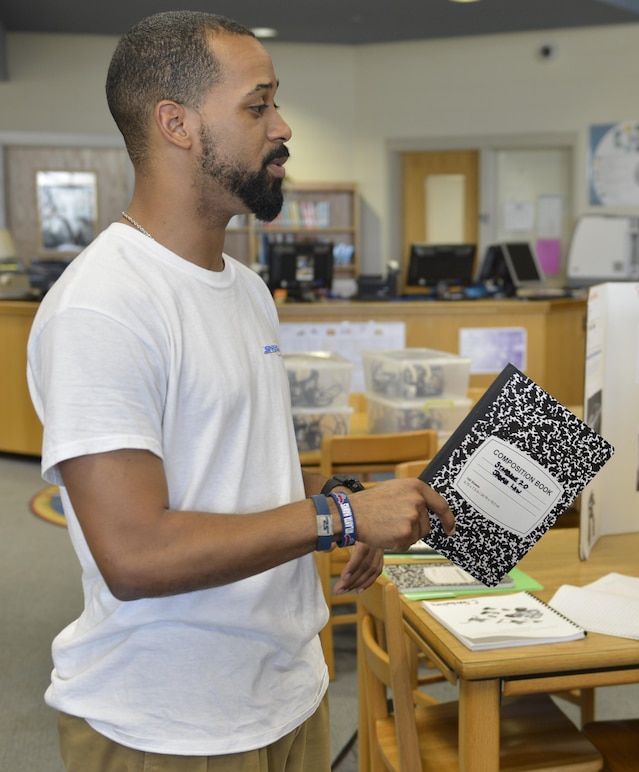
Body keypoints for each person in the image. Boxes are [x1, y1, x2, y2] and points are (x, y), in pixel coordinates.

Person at [26, 11, 455, 771]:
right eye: (258, 106)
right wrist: (339, 515)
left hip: (285, 695)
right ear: (177, 125)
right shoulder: (104, 305)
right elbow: (134, 553)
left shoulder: (248, 289)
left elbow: (242, 478)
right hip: (168, 725)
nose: (282, 126)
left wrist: (352, 501)